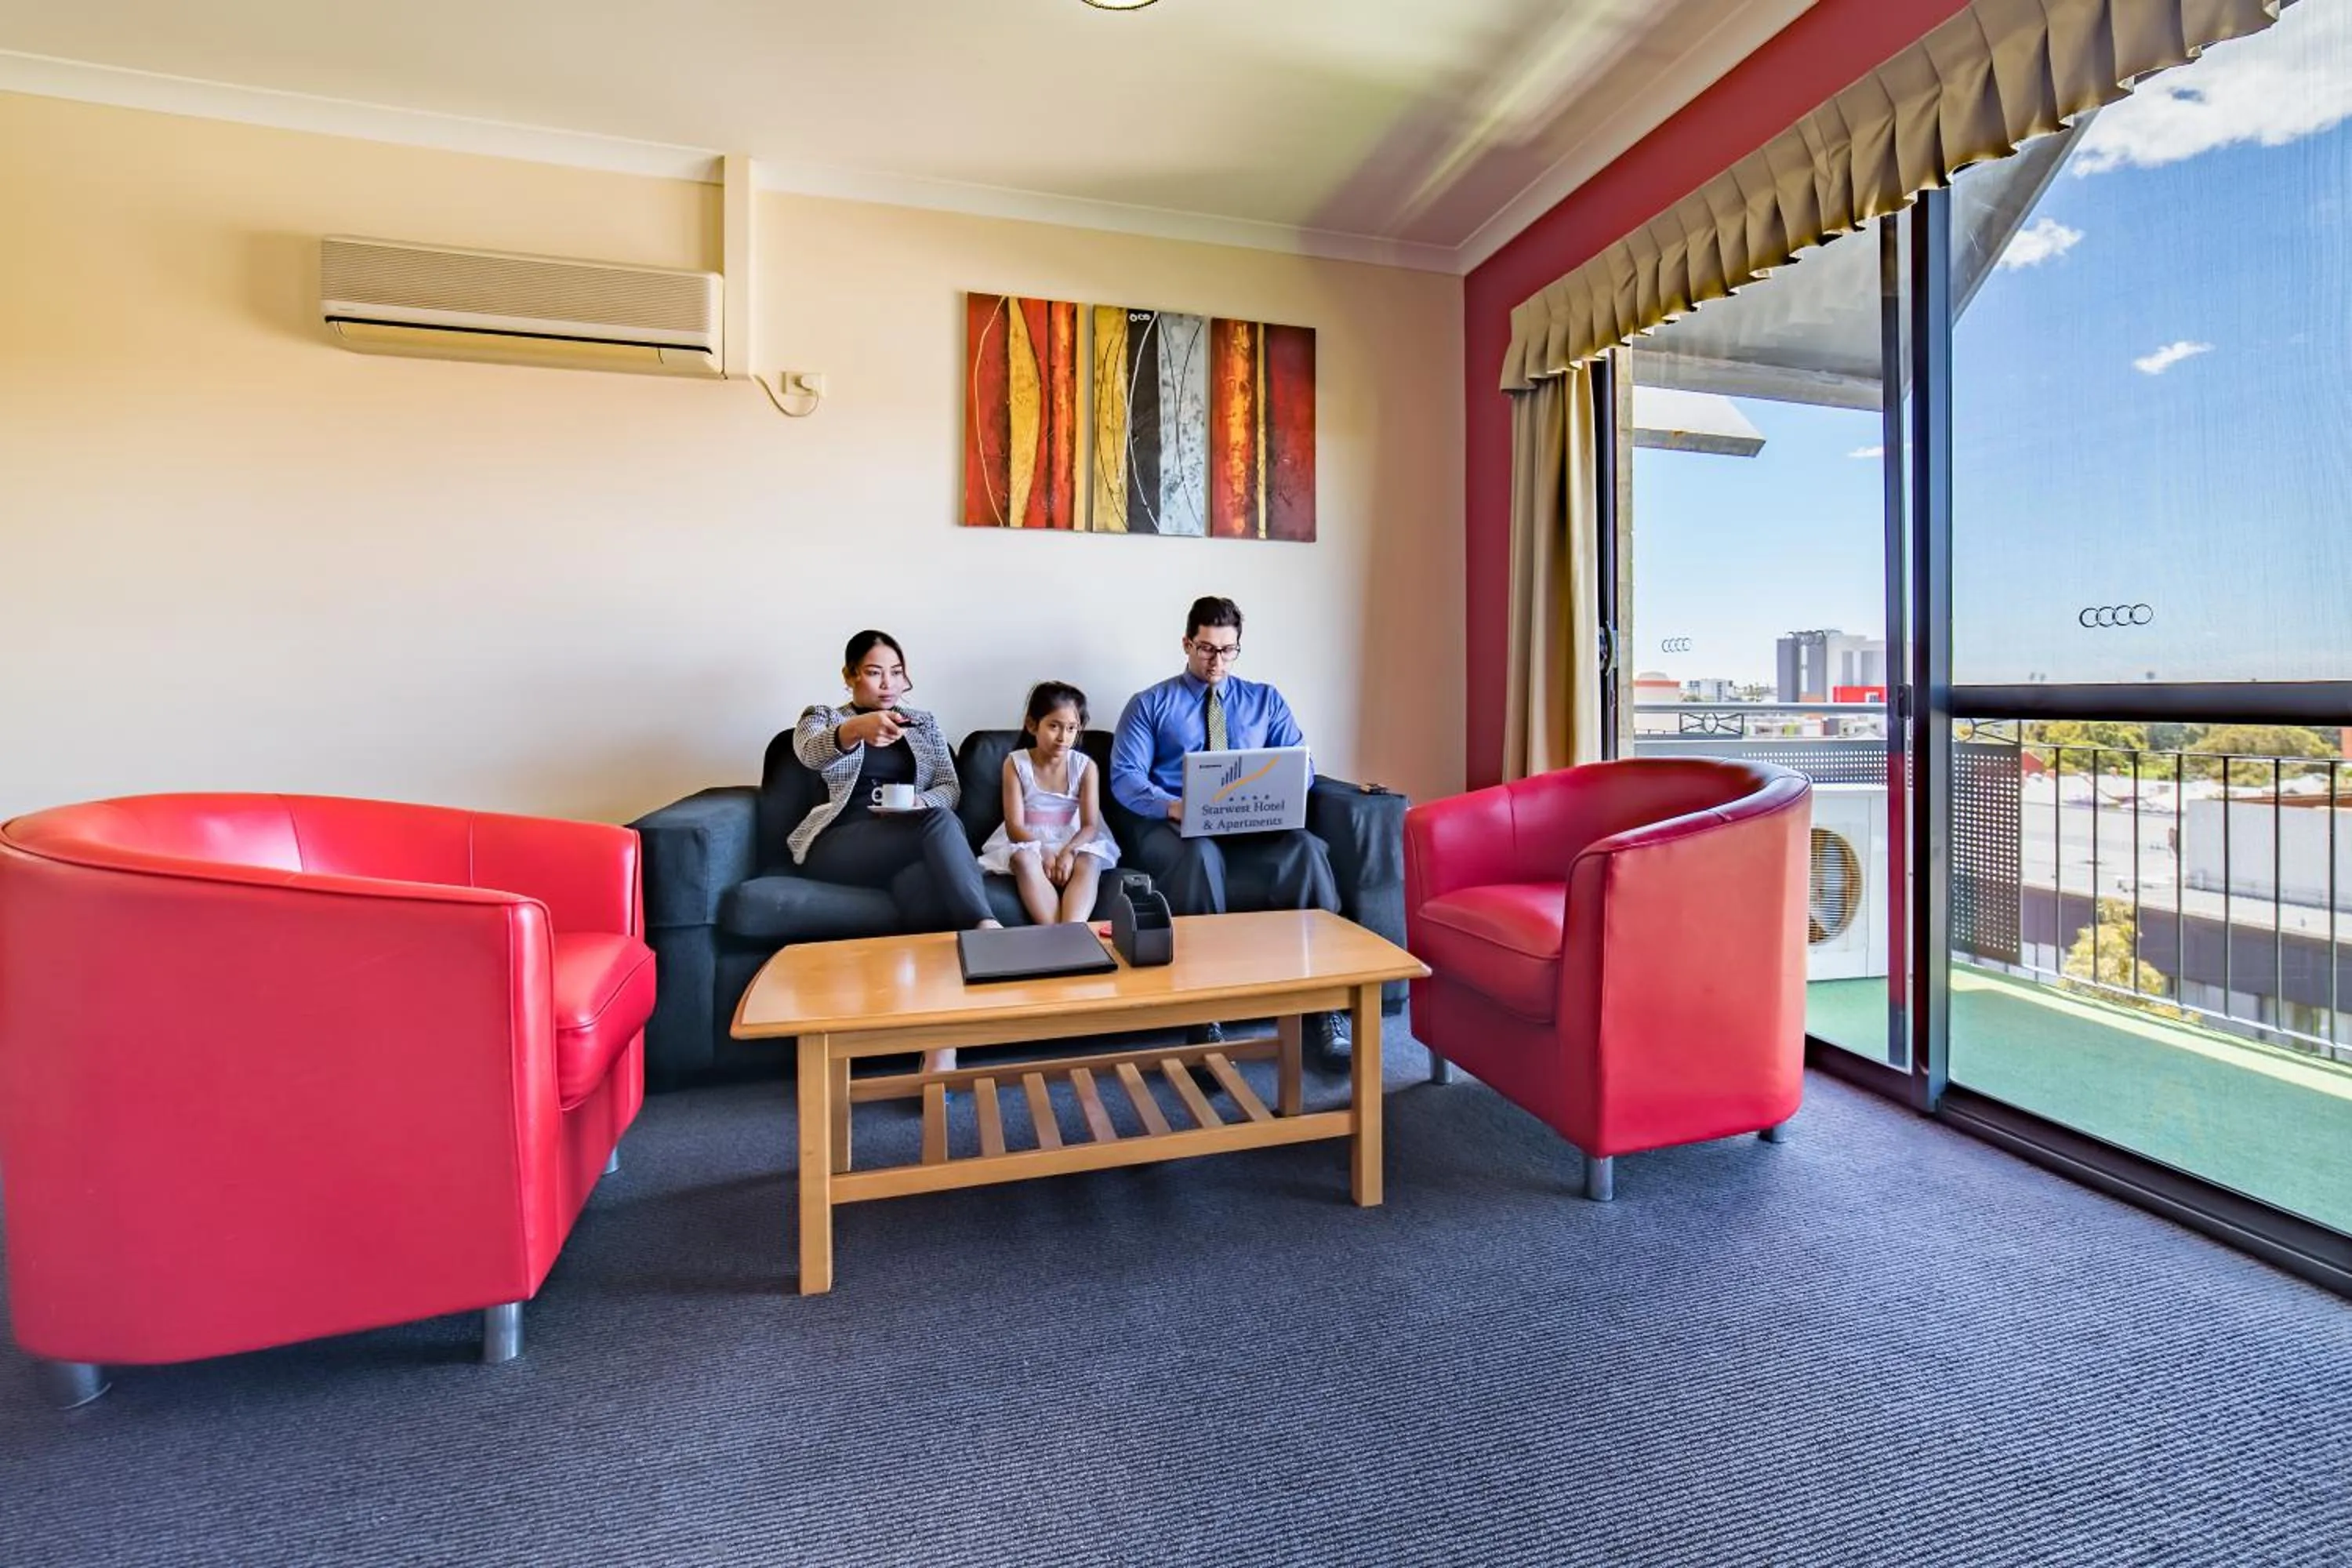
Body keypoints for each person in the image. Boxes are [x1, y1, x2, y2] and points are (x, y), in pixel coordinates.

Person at [1109, 596, 1348, 1066]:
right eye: (1206, 649)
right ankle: (1206, 1015)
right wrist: (1172, 805)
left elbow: (1302, 765)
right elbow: (1125, 776)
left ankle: (1323, 1007)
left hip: (1251, 823)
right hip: (1177, 826)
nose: (1216, 661)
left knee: (1306, 849)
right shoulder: (1150, 704)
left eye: (1227, 650)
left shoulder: (1266, 701)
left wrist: (1279, 793)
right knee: (1200, 856)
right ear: (1187, 643)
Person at [788, 630, 999, 931]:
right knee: (939, 820)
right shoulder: (823, 717)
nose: (888, 684)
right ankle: (987, 928)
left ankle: (944, 956)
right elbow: (809, 752)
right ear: (850, 676)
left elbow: (949, 787)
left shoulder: (923, 724)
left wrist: (919, 802)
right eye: (875, 673)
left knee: (919, 880)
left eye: (897, 673)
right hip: (839, 843)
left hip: (902, 838)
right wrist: (855, 729)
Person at [978, 681, 1120, 925]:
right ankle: (1054, 932)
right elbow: (1014, 826)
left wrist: (1069, 852)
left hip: (1075, 838)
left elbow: (1090, 826)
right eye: (1054, 726)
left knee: (1090, 859)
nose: (1063, 737)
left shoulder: (1085, 767)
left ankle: (1072, 930)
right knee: (1023, 859)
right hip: (1029, 838)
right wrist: (1042, 850)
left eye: (1072, 728)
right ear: (1032, 725)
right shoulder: (1015, 764)